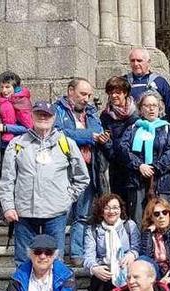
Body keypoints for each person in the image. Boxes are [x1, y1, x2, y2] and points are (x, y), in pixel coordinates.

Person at [0, 101, 89, 266]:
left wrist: (67, 198)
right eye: (39, 113)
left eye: (47, 114)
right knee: (23, 261)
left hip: (55, 213)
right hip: (23, 212)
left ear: (54, 117)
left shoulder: (66, 143)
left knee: (55, 261)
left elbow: (82, 177)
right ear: (32, 115)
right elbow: (7, 180)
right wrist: (8, 206)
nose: (43, 117)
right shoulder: (17, 144)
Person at [53, 78, 103, 265]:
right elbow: (58, 133)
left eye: (89, 95)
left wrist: (100, 137)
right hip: (64, 169)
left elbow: (99, 131)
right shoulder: (57, 109)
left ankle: (77, 254)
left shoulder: (91, 112)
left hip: (88, 169)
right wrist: (88, 136)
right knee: (61, 213)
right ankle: (56, 256)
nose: (87, 99)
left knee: (83, 215)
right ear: (70, 91)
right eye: (83, 94)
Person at [121, 90, 170, 225]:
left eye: (154, 105)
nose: (151, 109)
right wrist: (139, 165)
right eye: (147, 105)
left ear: (160, 108)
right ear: (140, 109)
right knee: (138, 220)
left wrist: (154, 168)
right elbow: (123, 149)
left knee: (162, 219)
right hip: (137, 181)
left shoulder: (167, 129)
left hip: (162, 181)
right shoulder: (133, 128)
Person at [0, 71, 32, 226]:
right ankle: (0, 215)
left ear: (15, 87)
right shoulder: (0, 100)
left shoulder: (22, 101)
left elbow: (28, 128)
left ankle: (10, 216)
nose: (4, 90)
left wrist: (4, 127)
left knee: (12, 181)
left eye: (8, 87)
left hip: (14, 146)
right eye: (2, 87)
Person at [82, 193, 139, 291]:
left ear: (120, 209)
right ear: (101, 211)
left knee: (119, 271)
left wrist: (132, 254)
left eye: (115, 208)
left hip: (124, 265)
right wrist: (94, 267)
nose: (111, 211)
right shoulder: (93, 229)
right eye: (107, 208)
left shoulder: (129, 225)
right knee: (102, 272)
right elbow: (88, 255)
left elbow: (137, 247)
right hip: (104, 267)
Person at [97, 77, 139, 201]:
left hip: (135, 166)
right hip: (116, 167)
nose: (114, 95)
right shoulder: (105, 116)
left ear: (125, 93)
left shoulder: (137, 113)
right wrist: (106, 144)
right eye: (111, 93)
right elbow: (106, 141)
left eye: (118, 92)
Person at [126, 47, 170, 124]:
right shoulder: (124, 82)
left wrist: (163, 125)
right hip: (130, 129)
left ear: (148, 62)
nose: (136, 64)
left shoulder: (160, 82)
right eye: (132, 61)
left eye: (139, 60)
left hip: (155, 129)